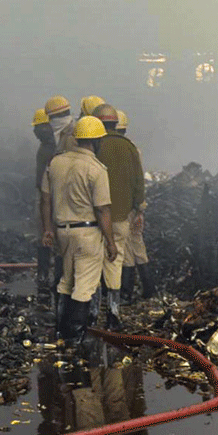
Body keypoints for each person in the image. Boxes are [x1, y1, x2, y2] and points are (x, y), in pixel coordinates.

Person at [40, 116, 117, 342]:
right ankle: (74, 337)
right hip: (87, 233)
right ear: (96, 141)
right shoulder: (96, 169)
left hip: (62, 231)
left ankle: (60, 331)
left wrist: (47, 229)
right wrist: (111, 242)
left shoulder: (55, 163)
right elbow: (102, 209)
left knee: (66, 282)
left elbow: (45, 199)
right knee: (84, 285)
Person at [89, 104, 147, 329]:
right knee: (116, 262)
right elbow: (139, 183)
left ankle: (93, 313)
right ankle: (113, 312)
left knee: (94, 264)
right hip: (122, 217)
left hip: (95, 218)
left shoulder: (95, 146)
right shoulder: (129, 147)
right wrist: (138, 209)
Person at [114, 109, 153, 304]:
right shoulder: (133, 149)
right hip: (135, 205)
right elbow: (139, 181)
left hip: (122, 206)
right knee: (138, 244)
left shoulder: (113, 151)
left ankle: (126, 293)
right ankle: (149, 289)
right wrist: (140, 209)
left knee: (126, 249)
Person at [33, 108, 57, 290]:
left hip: (49, 193)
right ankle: (44, 273)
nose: (37, 131)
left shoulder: (52, 147)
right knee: (44, 233)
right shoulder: (46, 147)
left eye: (40, 127)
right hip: (45, 192)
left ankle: (46, 274)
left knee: (46, 231)